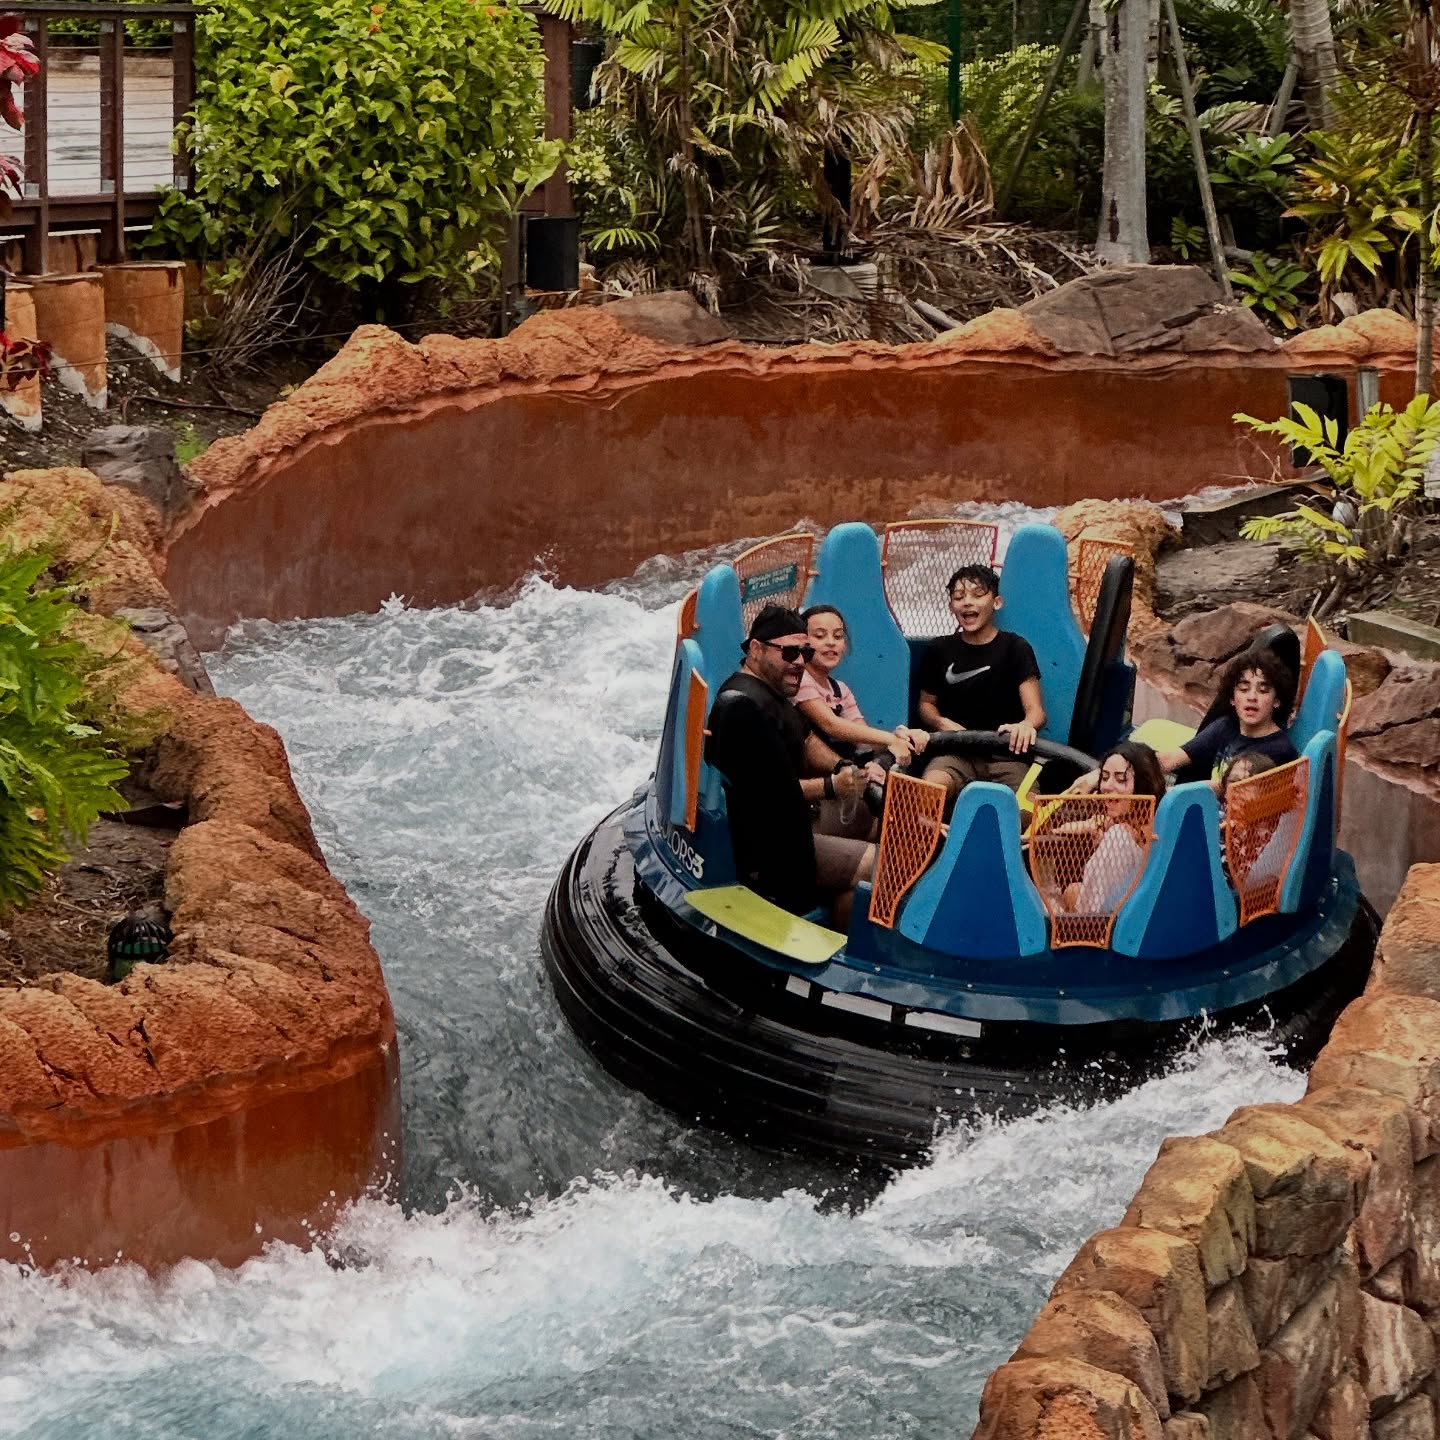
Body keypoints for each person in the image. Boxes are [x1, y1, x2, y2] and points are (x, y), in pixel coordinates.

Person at [704, 604, 875, 924]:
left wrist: (842, 767)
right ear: (756, 649)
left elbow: (807, 741)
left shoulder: (775, 690)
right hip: (773, 846)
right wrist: (832, 786)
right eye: (790, 653)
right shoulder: (741, 708)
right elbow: (770, 795)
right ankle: (842, 949)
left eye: (804, 653)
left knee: (879, 817)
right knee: (884, 868)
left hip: (798, 819)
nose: (799, 662)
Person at [1075, 650, 1299, 797]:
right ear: (1232, 698)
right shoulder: (1226, 726)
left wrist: (1139, 785)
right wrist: (1103, 775)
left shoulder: (1279, 752)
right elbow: (1171, 758)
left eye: (1263, 690)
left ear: (1277, 700)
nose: (1252, 697)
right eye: (1243, 689)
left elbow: (1225, 789)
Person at [915, 564, 1046, 807]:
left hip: (1007, 756)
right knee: (928, 795)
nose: (967, 602)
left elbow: (1036, 712)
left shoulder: (1015, 648)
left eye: (977, 594)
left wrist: (1026, 726)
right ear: (951, 606)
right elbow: (926, 704)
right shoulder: (939, 649)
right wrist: (941, 723)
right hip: (955, 753)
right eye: (958, 597)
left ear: (996, 602)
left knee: (1027, 811)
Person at [796, 604, 929, 767]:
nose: (831, 642)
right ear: (802, 642)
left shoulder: (840, 689)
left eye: (838, 636)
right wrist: (890, 739)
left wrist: (902, 736)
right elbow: (831, 725)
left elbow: (863, 739)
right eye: (820, 636)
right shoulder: (799, 679)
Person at [1053, 742, 1164, 914]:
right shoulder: (1158, 819)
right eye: (1104, 777)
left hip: (1109, 927)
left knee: (1072, 891)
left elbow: (1091, 914)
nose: (1107, 787)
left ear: (1144, 784)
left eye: (1121, 780)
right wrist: (1094, 824)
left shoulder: (1120, 836)